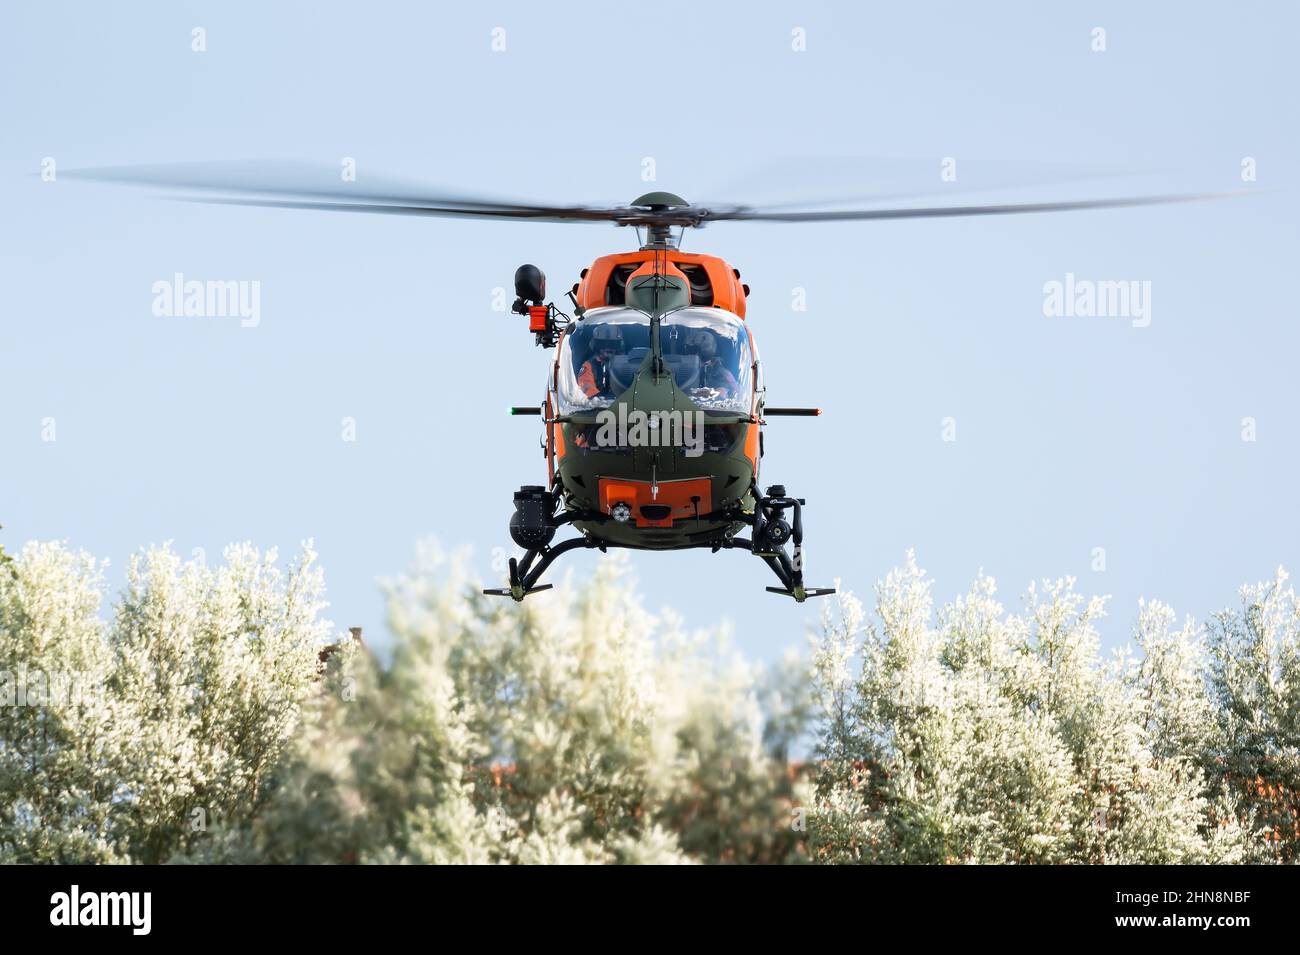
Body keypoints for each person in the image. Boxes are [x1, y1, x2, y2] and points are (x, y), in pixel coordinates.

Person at [685, 329, 738, 394]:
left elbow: (733, 394)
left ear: (696, 353)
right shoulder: (679, 366)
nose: (687, 355)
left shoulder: (723, 375)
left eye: (689, 350)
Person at [578, 325, 623, 398]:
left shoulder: (628, 365)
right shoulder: (588, 366)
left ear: (619, 346)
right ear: (596, 345)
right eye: (603, 344)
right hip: (598, 407)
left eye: (613, 344)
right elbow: (587, 389)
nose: (608, 348)